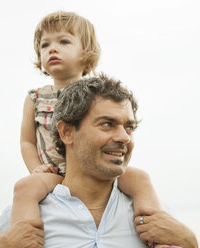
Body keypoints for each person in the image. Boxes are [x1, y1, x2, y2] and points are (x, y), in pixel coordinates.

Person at [0, 75, 198, 248]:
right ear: (67, 132)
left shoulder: (158, 216)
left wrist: (191, 244)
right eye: (107, 124)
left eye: (129, 128)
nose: (124, 137)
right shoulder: (18, 218)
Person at [12, 9, 162, 244]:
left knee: (140, 179)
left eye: (64, 41)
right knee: (24, 189)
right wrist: (36, 170)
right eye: (44, 45)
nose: (52, 49)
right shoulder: (35, 98)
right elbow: (27, 141)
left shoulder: (97, 95)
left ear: (86, 53)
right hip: (54, 172)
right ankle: (24, 237)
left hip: (95, 170)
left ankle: (156, 230)